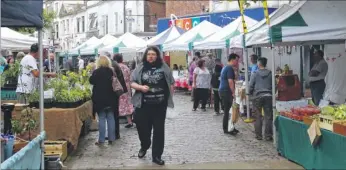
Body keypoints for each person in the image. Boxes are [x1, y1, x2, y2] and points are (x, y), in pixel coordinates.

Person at [130, 46, 174, 165]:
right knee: (142, 128)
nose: (151, 56)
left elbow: (171, 82)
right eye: (149, 54)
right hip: (143, 105)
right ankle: (145, 145)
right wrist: (140, 88)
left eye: (153, 54)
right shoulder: (140, 67)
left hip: (160, 105)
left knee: (159, 131)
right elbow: (132, 82)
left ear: (157, 56)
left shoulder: (164, 67)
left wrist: (169, 96)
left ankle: (157, 156)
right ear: (146, 56)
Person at [89, 56, 117, 145]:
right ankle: (111, 138)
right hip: (111, 97)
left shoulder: (96, 72)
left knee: (101, 118)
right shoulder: (111, 71)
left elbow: (91, 81)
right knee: (111, 118)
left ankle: (101, 140)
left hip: (100, 98)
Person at [249, 57, 273, 141]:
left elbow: (251, 85)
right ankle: (268, 135)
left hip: (258, 96)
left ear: (259, 64)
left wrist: (250, 93)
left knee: (258, 116)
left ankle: (258, 135)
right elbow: (275, 85)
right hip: (268, 96)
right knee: (268, 116)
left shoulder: (255, 73)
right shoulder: (270, 73)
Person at [107, 52, 127, 139]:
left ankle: (115, 134)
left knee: (114, 114)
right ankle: (115, 133)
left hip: (114, 92)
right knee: (115, 113)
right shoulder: (114, 64)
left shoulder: (112, 65)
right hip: (116, 91)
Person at [219, 53, 239, 135]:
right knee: (228, 111)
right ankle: (226, 128)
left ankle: (231, 126)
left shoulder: (225, 67)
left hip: (224, 90)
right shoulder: (229, 68)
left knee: (229, 110)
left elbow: (234, 79)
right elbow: (230, 81)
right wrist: (233, 92)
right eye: (237, 60)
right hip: (226, 91)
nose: (237, 62)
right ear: (232, 59)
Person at [114, 54, 134, 128]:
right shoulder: (126, 67)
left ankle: (115, 123)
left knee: (118, 104)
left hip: (118, 88)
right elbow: (130, 77)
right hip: (127, 87)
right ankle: (130, 121)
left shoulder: (115, 67)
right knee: (128, 104)